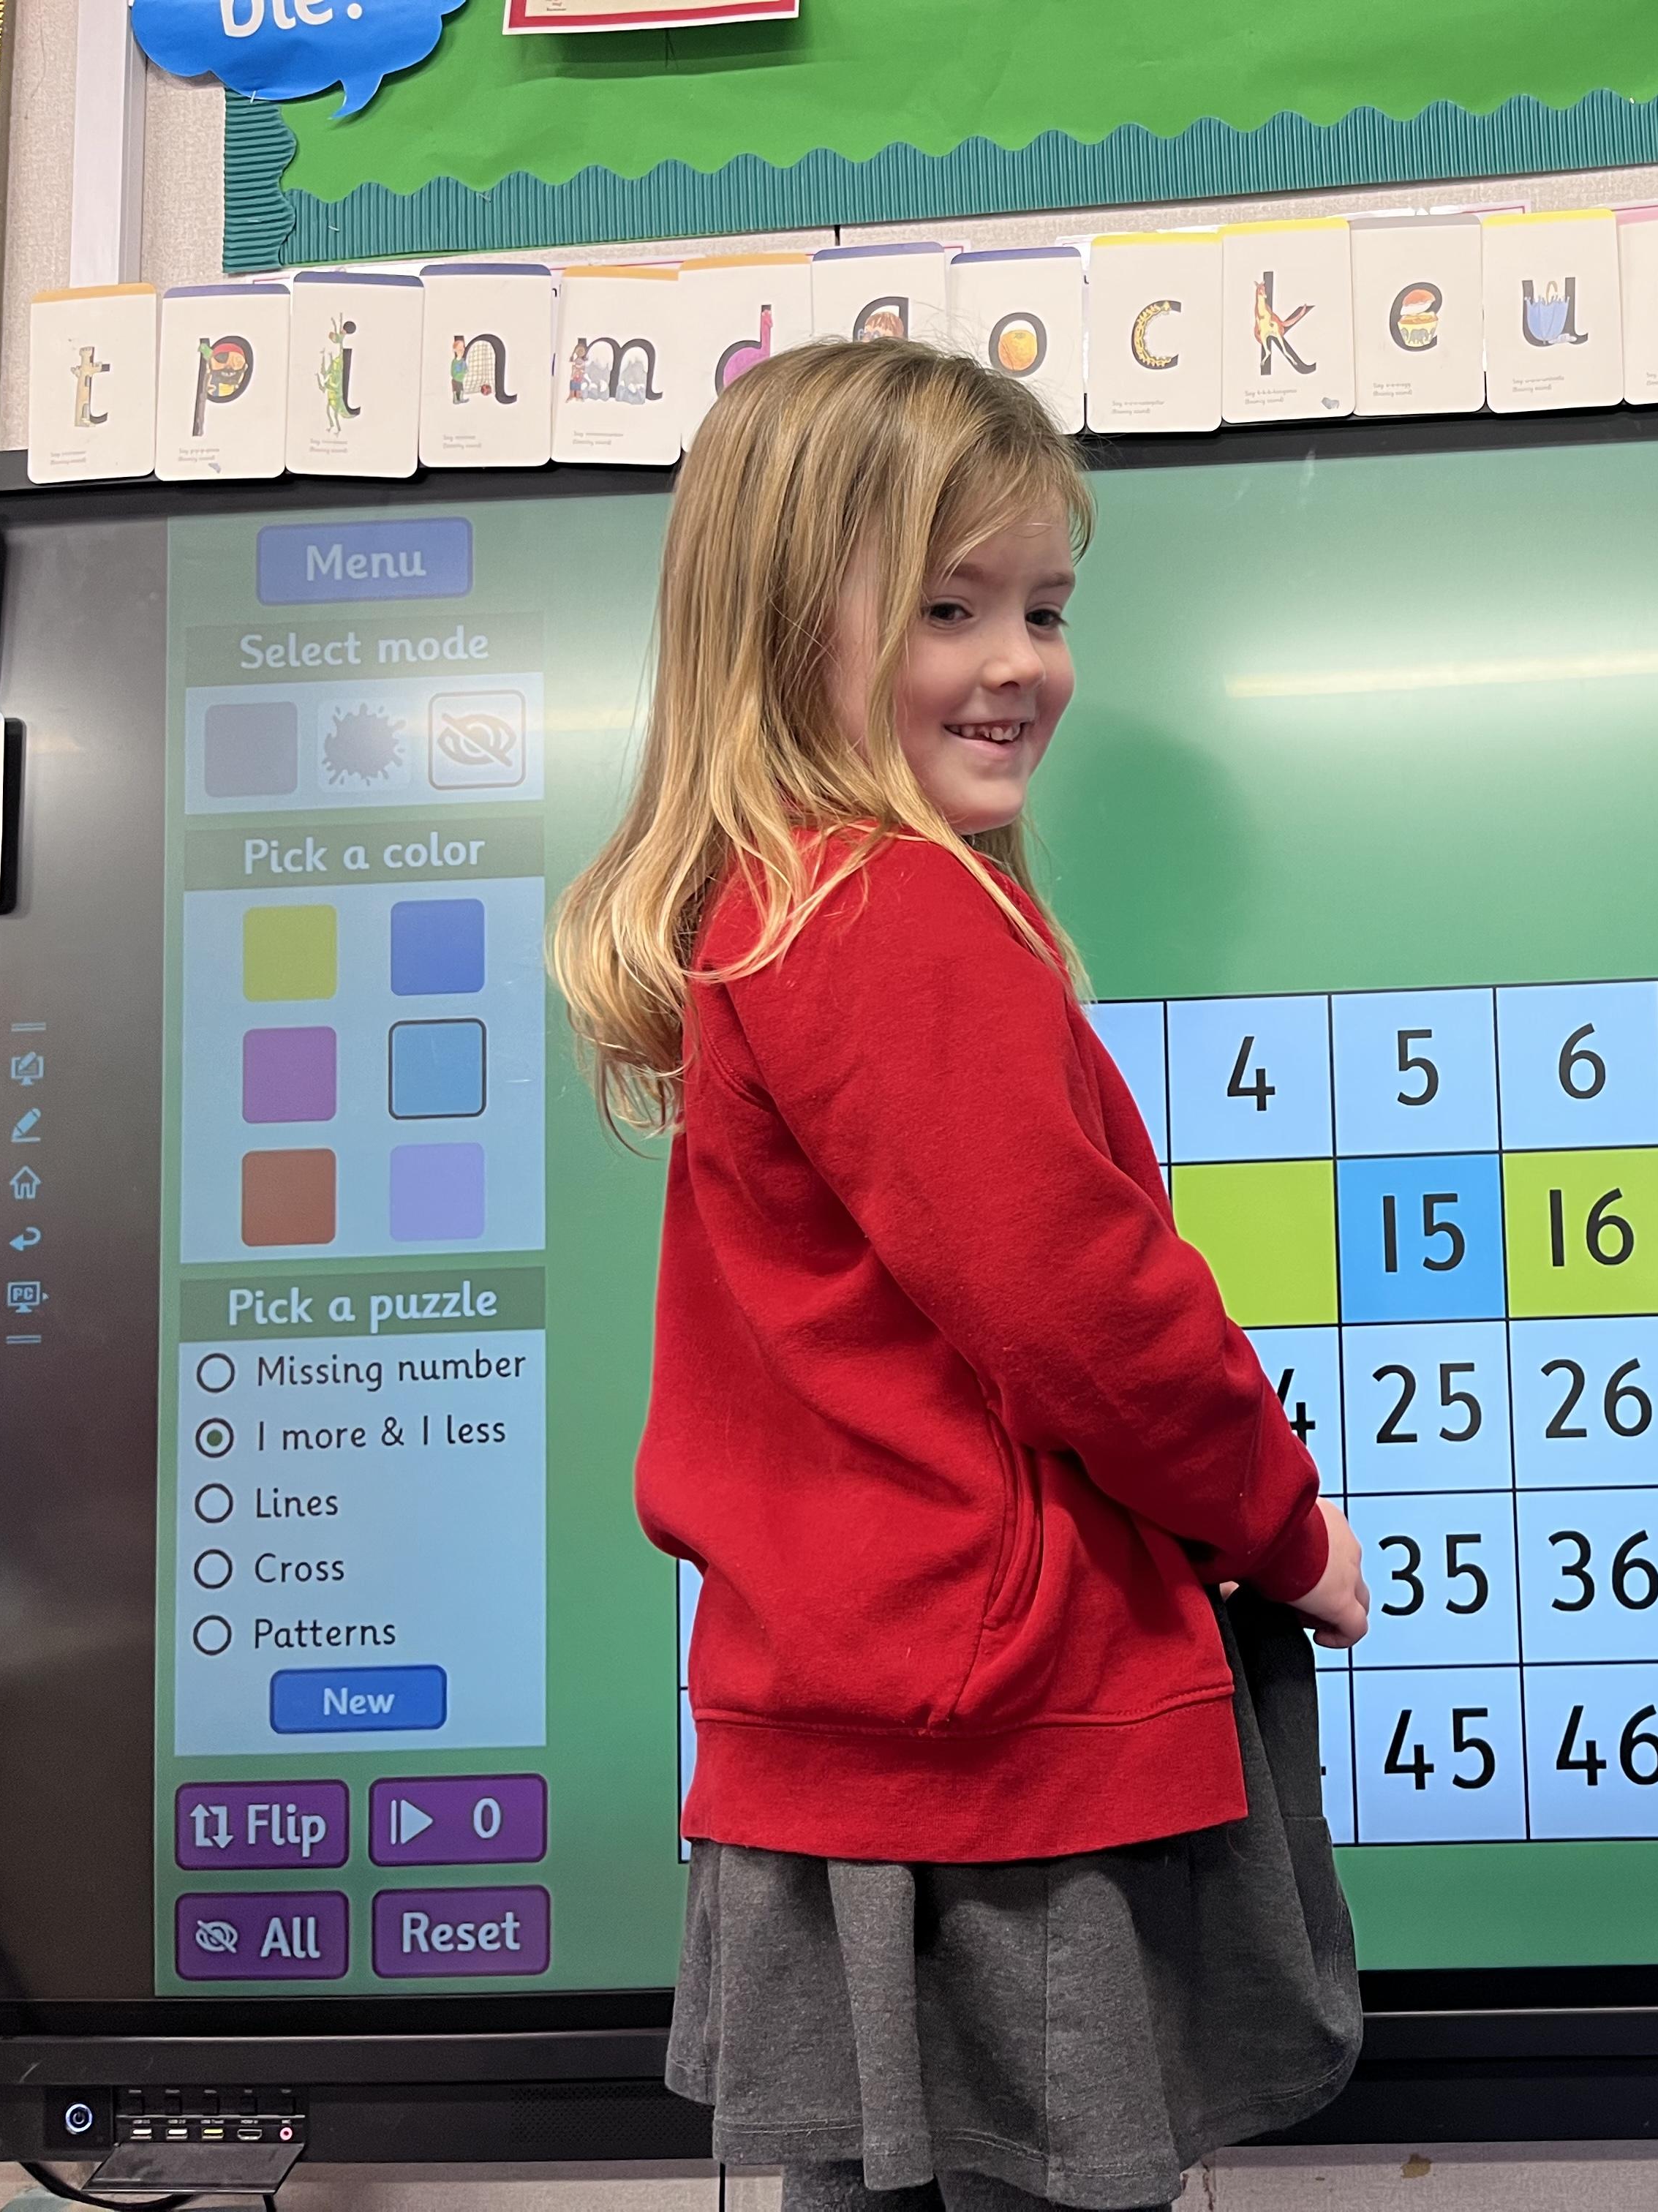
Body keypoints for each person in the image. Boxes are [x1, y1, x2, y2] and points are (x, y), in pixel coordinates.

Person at [549, 340, 1371, 2212]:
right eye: (948, 607)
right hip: (994, 1748)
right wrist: (1282, 1527)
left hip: (888, 1718)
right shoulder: (886, 912)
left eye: (1045, 608)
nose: (1022, 663)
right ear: (783, 631)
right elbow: (1086, 1307)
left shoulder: (792, 906)